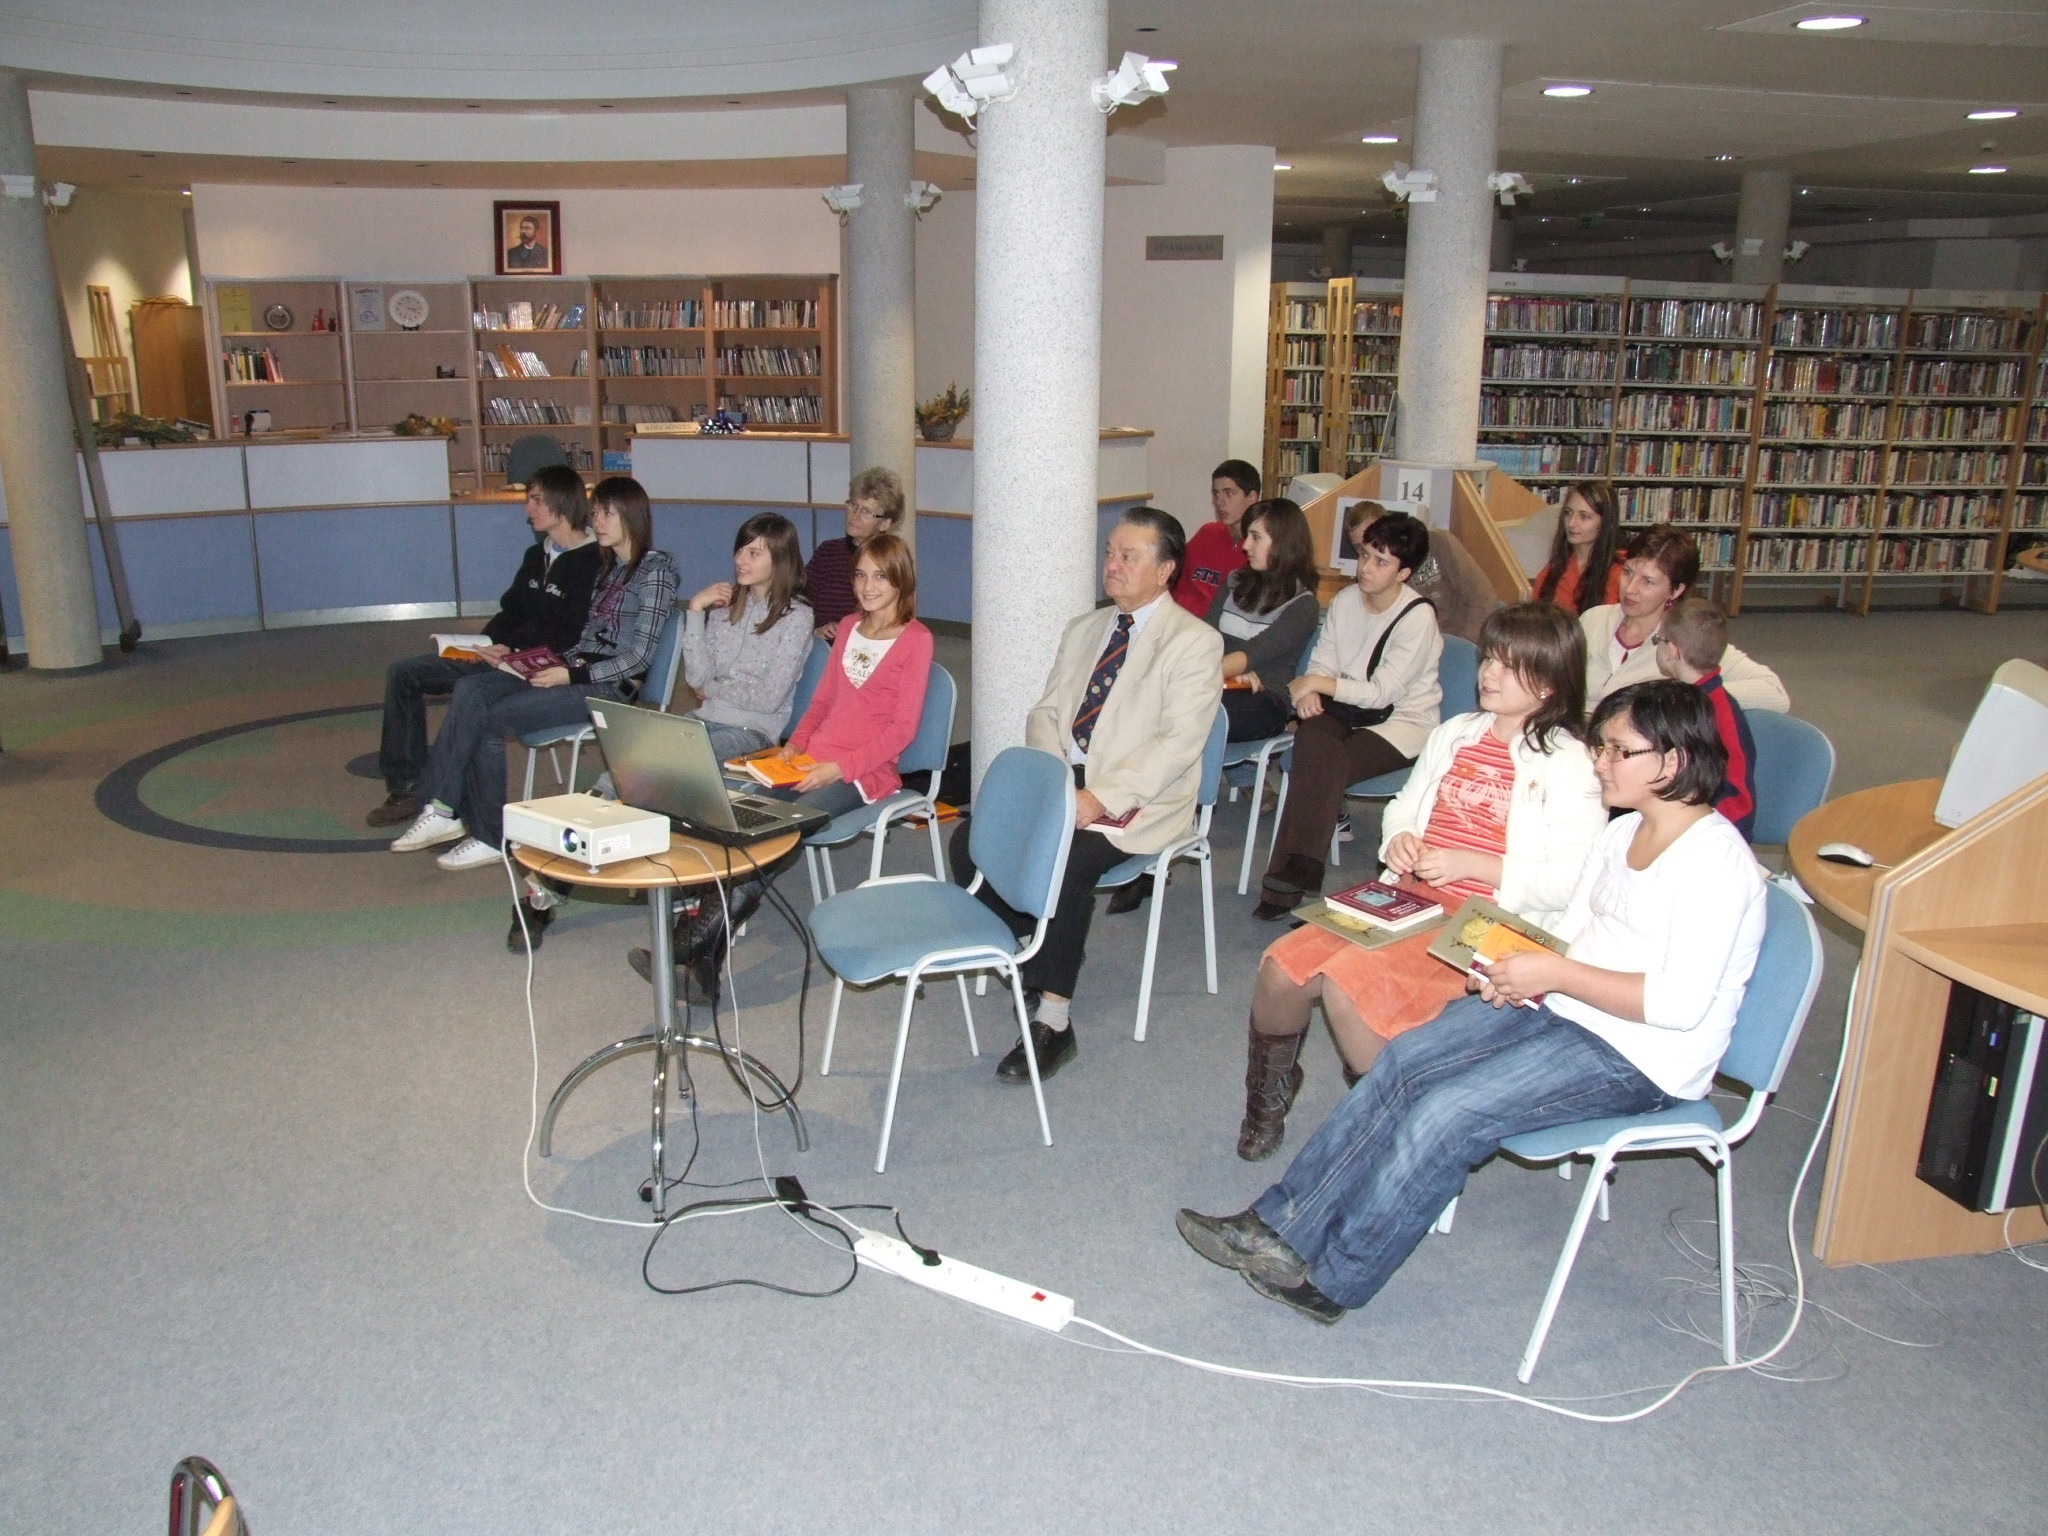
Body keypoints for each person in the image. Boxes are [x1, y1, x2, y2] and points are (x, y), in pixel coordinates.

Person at [1178, 680, 1768, 1324]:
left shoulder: (1715, 863)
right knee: (1406, 1060)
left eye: (1617, 751)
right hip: (1567, 1008)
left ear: (1672, 762)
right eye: (1601, 747)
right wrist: (1511, 968)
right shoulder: (1623, 832)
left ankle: (1335, 1281)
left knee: (1450, 1112)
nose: (1600, 763)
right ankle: (1279, 1228)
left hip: (1641, 1058)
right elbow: (1571, 935)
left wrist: (1554, 974)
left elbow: (1677, 1005)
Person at [1234, 604, 1605, 1160]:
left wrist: (1470, 865)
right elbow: (1403, 809)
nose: (1489, 673)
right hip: (1410, 896)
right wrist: (1400, 841)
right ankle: (1268, 1102)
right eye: (1490, 659)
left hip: (1492, 923)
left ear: (1549, 683)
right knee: (1281, 970)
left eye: (1509, 666)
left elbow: (1573, 882)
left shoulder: (1570, 762)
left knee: (1348, 988)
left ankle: (1387, 1126)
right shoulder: (1456, 733)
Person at [949, 508, 1222, 1083]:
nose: (1112, 565)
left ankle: (1055, 1020)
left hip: (1142, 797)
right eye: (1110, 553)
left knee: (1063, 863)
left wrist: (1099, 796)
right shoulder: (1085, 628)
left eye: (1129, 556)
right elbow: (1047, 711)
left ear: (1165, 570)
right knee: (971, 841)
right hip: (1068, 779)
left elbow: (1177, 745)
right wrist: (1056, 781)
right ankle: (1037, 947)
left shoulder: (1195, 643)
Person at [629, 532, 932, 1001]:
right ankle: (703, 960)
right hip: (810, 759)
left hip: (862, 773)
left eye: (880, 577)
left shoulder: (916, 640)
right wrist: (796, 746)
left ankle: (691, 945)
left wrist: (838, 768)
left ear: (901, 581)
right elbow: (822, 701)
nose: (868, 586)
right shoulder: (848, 626)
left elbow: (901, 731)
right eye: (860, 575)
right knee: (745, 811)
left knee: (777, 826)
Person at [389, 476, 678, 876]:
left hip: (606, 687)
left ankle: (484, 833)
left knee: (489, 719)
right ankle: (442, 809)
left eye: (607, 514)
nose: (596, 521)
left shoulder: (655, 572)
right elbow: (581, 637)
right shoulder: (607, 569)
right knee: (471, 688)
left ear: (631, 516)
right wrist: (531, 660)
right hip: (573, 670)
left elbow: (638, 656)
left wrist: (571, 674)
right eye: (595, 512)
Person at [368, 466, 601, 828]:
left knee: (470, 690)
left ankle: (441, 799)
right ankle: (406, 787)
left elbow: (572, 633)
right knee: (404, 674)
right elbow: (511, 610)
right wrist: (487, 643)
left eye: (536, 500)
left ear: (562, 502)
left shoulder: (594, 562)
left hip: (537, 667)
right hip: (500, 654)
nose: (528, 509)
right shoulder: (535, 555)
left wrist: (512, 652)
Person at [1254, 512, 1442, 921]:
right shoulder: (1344, 601)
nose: (1366, 568)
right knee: (1313, 739)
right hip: (1346, 709)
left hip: (1400, 723)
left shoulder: (1417, 617)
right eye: (1365, 555)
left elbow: (1382, 693)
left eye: (1381, 562)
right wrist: (1309, 693)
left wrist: (1316, 684)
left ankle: (1285, 883)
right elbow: (1323, 660)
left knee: (1323, 760)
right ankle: (1300, 869)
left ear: (1403, 573)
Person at [1581, 526, 1789, 712]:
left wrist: (1681, 696)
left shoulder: (1688, 638)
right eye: (1628, 572)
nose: (1630, 588)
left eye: (1648, 581)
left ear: (1676, 590)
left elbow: (1775, 693)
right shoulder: (1594, 620)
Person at [680, 512, 816, 765]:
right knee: (638, 754)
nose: (740, 560)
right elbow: (696, 678)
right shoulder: (724, 610)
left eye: (754, 553)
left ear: (780, 560)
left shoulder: (797, 617)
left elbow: (768, 700)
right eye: (740, 551)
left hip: (752, 732)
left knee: (682, 761)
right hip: (704, 719)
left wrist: (712, 689)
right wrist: (696, 609)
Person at [1205, 498, 1321, 744]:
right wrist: (1226, 676)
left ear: (1282, 543)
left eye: (1256, 537)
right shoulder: (1234, 581)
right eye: (1247, 536)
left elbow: (1254, 653)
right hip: (1219, 682)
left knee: (1193, 713)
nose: (1246, 545)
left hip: (1266, 697)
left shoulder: (1303, 604)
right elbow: (1205, 638)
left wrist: (1197, 674)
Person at [1655, 597, 1757, 840]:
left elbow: (1739, 800)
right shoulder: (1677, 698)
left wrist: (1695, 828)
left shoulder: (1720, 713)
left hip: (1710, 836)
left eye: (1657, 641)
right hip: (1676, 816)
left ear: (1672, 650)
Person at [1345, 500, 1498, 645]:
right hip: (1413, 649)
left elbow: (1482, 596)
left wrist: (1463, 647)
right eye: (1361, 548)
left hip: (1456, 642)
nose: (1371, 547)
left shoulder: (1439, 543)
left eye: (1373, 535)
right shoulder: (1368, 582)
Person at [805, 467, 905, 641]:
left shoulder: (890, 562)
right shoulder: (827, 551)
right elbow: (801, 600)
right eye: (853, 505)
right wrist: (814, 631)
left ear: (884, 523)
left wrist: (844, 630)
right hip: (819, 641)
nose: (855, 515)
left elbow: (891, 618)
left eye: (866, 511)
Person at [1173, 459, 1261, 617]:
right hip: (1178, 619)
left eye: (1229, 493)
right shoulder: (1207, 533)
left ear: (1252, 497)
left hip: (1215, 626)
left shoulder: (1260, 549)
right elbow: (1175, 577)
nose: (1219, 501)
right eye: (1216, 493)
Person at [1530, 481, 1624, 618]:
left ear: (1606, 522)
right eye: (1568, 513)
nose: (1571, 523)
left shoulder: (1619, 573)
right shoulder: (1555, 568)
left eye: (1584, 516)